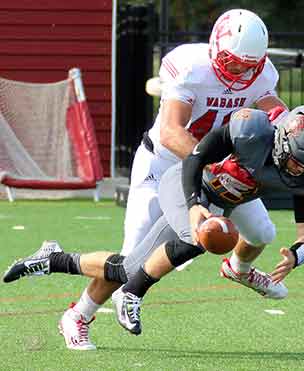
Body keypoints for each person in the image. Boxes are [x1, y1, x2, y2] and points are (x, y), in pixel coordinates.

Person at [4, 105, 304, 338]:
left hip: (219, 201)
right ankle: (133, 295)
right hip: (185, 184)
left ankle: (51, 258)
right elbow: (196, 157)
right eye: (296, 163)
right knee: (199, 236)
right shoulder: (251, 130)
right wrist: (193, 206)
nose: (300, 172)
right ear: (281, 142)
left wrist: (297, 253)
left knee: (126, 267)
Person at [63, 8, 287, 350]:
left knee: (261, 232)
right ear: (215, 48)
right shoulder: (190, 66)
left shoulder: (262, 74)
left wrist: (291, 124)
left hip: (217, 168)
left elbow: (274, 109)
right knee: (129, 260)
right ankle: (78, 315)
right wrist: (210, 166)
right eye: (234, 62)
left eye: (249, 65)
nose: (241, 72)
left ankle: (237, 269)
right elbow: (170, 132)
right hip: (164, 164)